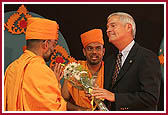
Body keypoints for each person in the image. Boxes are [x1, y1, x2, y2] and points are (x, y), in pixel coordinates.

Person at [92, 12, 161, 111]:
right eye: (107, 27)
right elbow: (108, 94)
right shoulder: (110, 60)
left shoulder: (147, 57)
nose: (108, 30)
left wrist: (115, 97)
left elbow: (150, 98)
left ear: (128, 27)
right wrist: (96, 94)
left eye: (113, 26)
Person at [4, 17, 67, 111]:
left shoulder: (11, 68)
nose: (54, 49)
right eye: (53, 44)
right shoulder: (42, 70)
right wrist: (56, 84)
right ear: (45, 44)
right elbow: (55, 109)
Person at [61, 29, 105, 110]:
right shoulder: (74, 69)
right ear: (84, 52)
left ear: (103, 51)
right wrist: (80, 110)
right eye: (90, 48)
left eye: (98, 48)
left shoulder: (110, 69)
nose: (94, 52)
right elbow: (63, 100)